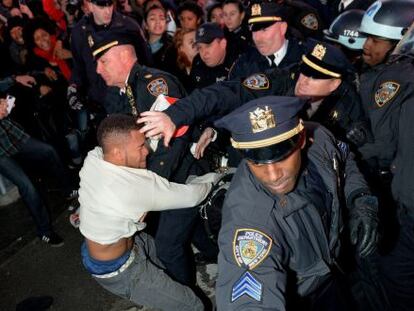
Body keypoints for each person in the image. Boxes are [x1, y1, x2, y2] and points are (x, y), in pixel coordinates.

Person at [211, 96, 378, 310]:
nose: (272, 175)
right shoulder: (250, 216)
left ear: (301, 139)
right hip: (303, 294)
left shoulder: (320, 138)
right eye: (257, 161)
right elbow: (248, 295)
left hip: (336, 264)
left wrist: (359, 196)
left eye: (281, 156)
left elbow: (344, 159)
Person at [92, 32, 218, 289]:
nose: (97, 69)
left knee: (168, 246)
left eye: (103, 61)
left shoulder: (154, 84)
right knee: (189, 229)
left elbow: (172, 143)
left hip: (182, 173)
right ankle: (218, 256)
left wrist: (149, 187)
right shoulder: (123, 91)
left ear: (125, 56)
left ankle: (188, 301)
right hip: (166, 174)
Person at [78, 114, 216, 310]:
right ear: (118, 153)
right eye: (140, 147)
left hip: (133, 241)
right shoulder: (130, 189)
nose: (147, 151)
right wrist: (215, 177)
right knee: (193, 305)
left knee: (170, 263)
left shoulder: (95, 157)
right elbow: (192, 196)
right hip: (120, 270)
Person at [0, 89, 74, 247]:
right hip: (1, 153)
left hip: (10, 133)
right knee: (28, 186)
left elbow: (6, 85)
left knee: (49, 151)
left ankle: (67, 190)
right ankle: (44, 231)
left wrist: (4, 102)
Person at [68, 0, 152, 114]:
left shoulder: (128, 26)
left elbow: (146, 63)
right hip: (98, 102)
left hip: (129, 97)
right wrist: (73, 88)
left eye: (110, 5)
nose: (108, 11)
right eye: (101, 6)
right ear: (90, 6)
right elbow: (79, 67)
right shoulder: (79, 32)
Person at [228, 1, 306, 80]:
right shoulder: (243, 64)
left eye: (264, 30)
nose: (257, 38)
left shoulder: (305, 58)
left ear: (283, 28)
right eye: (254, 31)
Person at [190, 22, 238, 89]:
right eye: (200, 47)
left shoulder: (239, 63)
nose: (204, 52)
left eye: (208, 46)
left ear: (223, 44)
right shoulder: (198, 62)